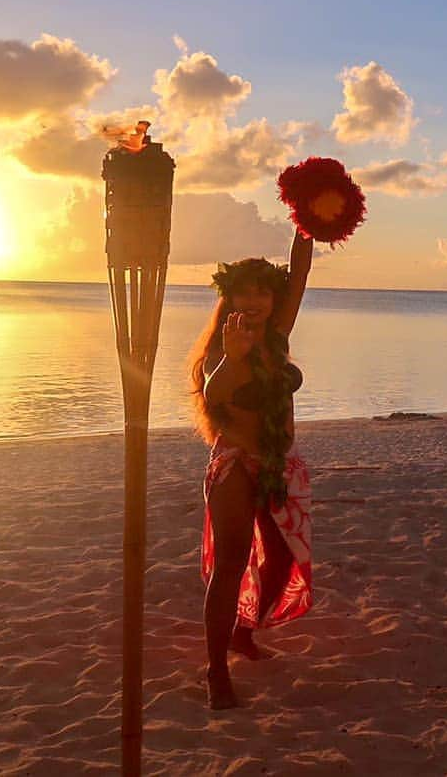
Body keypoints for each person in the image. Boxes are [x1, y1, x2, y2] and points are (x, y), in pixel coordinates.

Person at [188, 230, 314, 709]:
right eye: (246, 291)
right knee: (232, 563)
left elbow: (300, 275)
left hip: (277, 464)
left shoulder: (277, 336)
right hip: (235, 466)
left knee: (282, 560)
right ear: (230, 296)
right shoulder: (222, 349)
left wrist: (306, 224)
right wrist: (234, 358)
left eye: (264, 291)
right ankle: (216, 670)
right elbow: (214, 395)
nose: (256, 300)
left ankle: (243, 632)